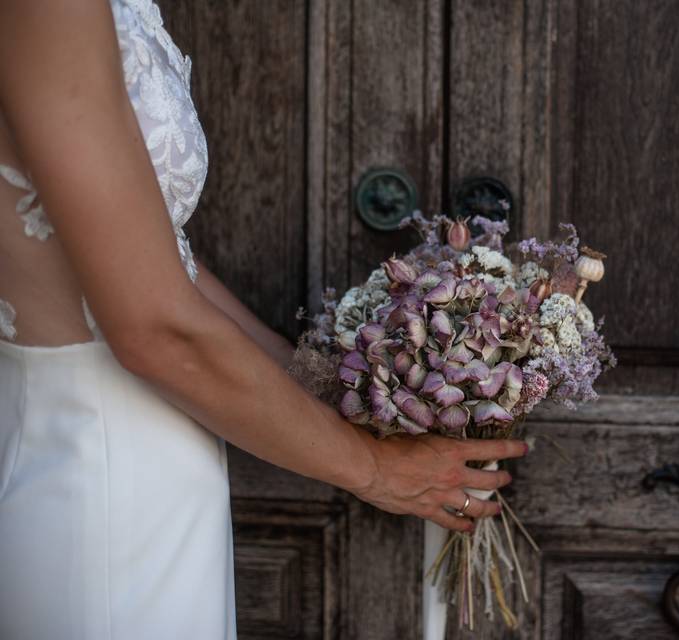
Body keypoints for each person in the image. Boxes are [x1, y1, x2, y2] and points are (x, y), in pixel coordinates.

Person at [0, 1, 527, 638]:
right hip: (100, 476)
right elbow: (151, 328)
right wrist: (376, 471)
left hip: (144, 458)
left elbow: (163, 266)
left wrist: (341, 389)